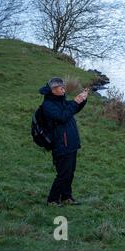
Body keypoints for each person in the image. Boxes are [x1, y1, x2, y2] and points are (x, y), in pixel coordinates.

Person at [39, 77, 89, 206]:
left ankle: (66, 197)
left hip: (70, 142)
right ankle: (52, 199)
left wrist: (82, 100)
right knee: (63, 174)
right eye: (61, 88)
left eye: (63, 87)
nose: (64, 89)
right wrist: (75, 102)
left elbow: (72, 110)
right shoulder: (48, 105)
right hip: (61, 144)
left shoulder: (60, 100)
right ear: (53, 90)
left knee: (70, 172)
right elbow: (62, 117)